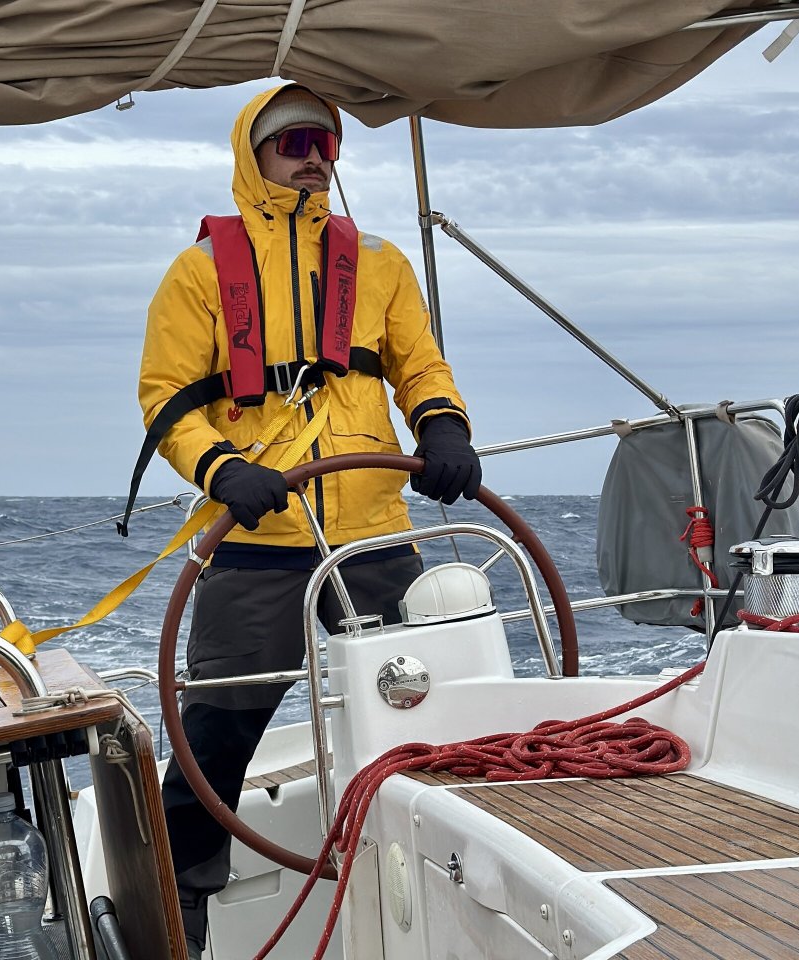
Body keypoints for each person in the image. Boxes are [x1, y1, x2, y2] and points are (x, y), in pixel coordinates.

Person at [136, 83, 483, 959]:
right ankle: (181, 928)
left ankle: (469, 889)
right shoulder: (197, 273)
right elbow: (167, 404)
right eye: (292, 140)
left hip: (370, 527)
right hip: (255, 539)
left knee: (445, 717)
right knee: (211, 743)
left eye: (324, 141)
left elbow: (420, 366)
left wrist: (442, 424)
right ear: (252, 155)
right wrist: (222, 468)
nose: (313, 154)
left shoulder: (382, 264)